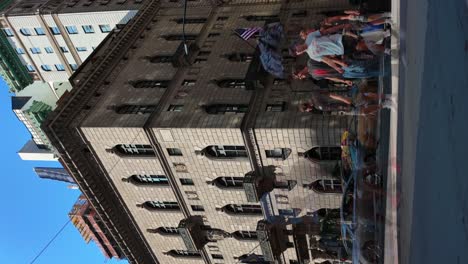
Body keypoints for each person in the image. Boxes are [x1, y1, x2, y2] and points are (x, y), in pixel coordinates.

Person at [293, 58, 383, 85]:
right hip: (344, 74)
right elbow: (330, 77)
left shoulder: (310, 62)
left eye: (299, 75)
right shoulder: (314, 76)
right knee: (365, 74)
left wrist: (340, 62)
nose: (301, 77)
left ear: (299, 70)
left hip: (342, 66)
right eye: (299, 78)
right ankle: (383, 70)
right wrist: (344, 81)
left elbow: (327, 59)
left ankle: (382, 59)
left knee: (363, 66)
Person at [299, 90, 395, 116]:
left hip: (346, 101)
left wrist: (345, 99)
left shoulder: (316, 99)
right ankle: (385, 104)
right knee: (364, 111)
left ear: (307, 106)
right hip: (345, 109)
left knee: (364, 96)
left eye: (307, 110)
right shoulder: (316, 103)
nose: (309, 111)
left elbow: (330, 94)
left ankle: (387, 97)